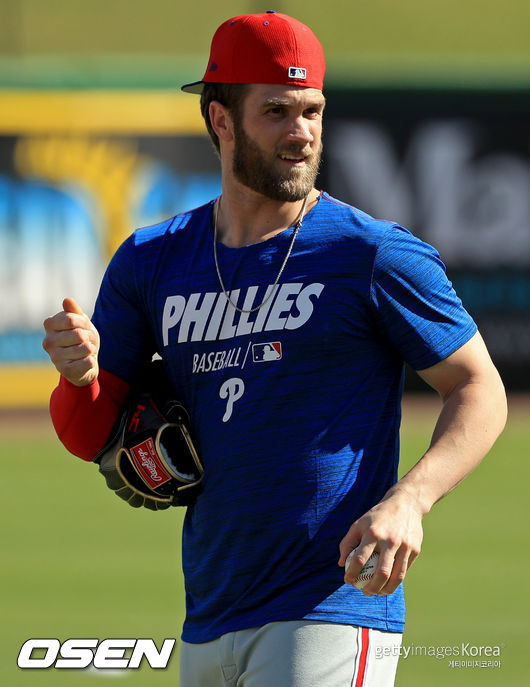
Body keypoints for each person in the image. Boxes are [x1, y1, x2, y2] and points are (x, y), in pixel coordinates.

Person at [42, 10, 507, 687]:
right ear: (221, 120)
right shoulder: (150, 260)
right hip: (208, 614)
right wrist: (77, 376)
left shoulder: (371, 253)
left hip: (331, 606)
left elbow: (479, 387)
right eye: (277, 111)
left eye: (312, 111)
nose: (302, 132)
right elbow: (88, 434)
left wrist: (411, 499)